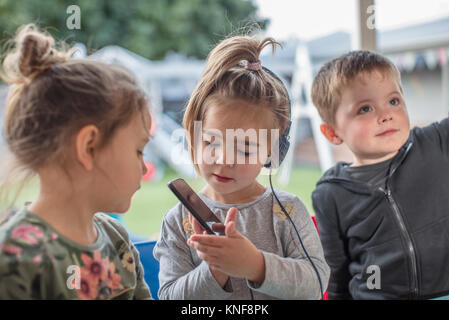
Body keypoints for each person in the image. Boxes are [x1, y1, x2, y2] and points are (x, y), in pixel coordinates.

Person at [153, 35, 330, 300]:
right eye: (211, 141)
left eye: (245, 149)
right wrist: (214, 269)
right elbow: (170, 297)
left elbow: (316, 281)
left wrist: (255, 265)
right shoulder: (179, 221)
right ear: (193, 135)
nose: (224, 160)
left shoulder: (287, 211)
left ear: (273, 152)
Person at [0, 24, 152, 299]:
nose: (143, 167)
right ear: (89, 146)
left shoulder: (117, 239)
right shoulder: (14, 260)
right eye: (138, 151)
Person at [311, 50, 449, 299]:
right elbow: (336, 276)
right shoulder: (329, 194)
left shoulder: (436, 143)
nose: (386, 115)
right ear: (332, 132)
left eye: (394, 101)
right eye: (365, 108)